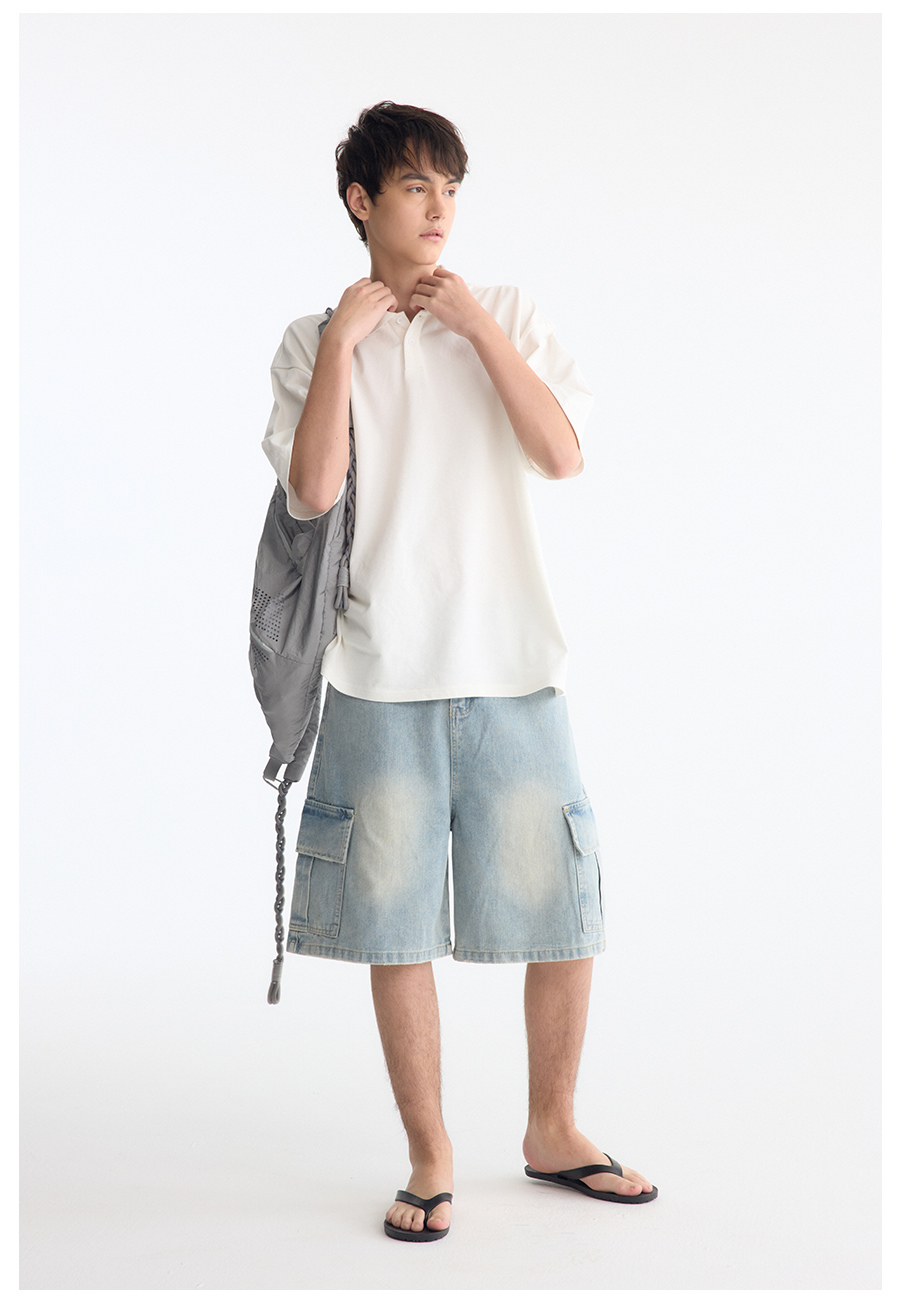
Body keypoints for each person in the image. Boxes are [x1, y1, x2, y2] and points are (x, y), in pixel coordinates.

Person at [261, 100, 657, 1242]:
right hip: (377, 672)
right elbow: (314, 492)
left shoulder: (508, 312)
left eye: (451, 189)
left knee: (562, 910)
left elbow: (562, 456)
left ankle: (553, 1129)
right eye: (415, 186)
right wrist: (345, 345)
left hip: (513, 662)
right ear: (362, 201)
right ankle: (430, 1156)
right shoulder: (311, 340)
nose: (439, 209)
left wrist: (477, 326)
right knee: (393, 927)